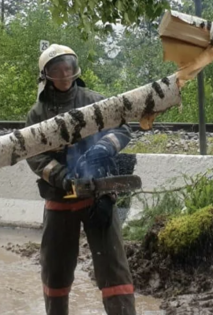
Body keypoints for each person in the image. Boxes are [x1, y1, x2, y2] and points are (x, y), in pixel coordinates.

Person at [25, 44, 136, 315]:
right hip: (59, 197)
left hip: (98, 196)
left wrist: (104, 147)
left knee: (114, 269)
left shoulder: (94, 100)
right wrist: (62, 177)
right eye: (57, 70)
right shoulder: (37, 114)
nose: (64, 74)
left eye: (68, 68)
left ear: (75, 70)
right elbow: (34, 155)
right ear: (46, 75)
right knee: (55, 271)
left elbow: (122, 128)